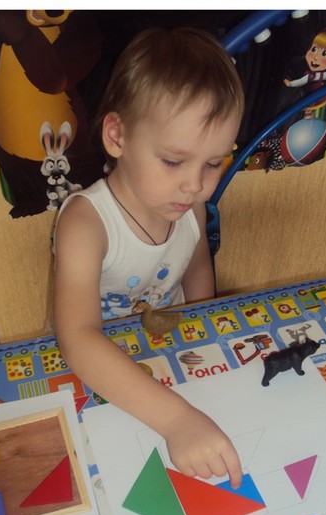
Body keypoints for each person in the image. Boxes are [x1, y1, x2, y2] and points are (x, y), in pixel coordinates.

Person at [53, 28, 245, 488]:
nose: (195, 185)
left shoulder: (188, 205)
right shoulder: (85, 223)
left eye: (213, 163)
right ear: (117, 136)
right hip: (96, 375)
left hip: (172, 363)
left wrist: (206, 341)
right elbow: (77, 339)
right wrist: (177, 420)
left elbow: (197, 270)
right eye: (174, 161)